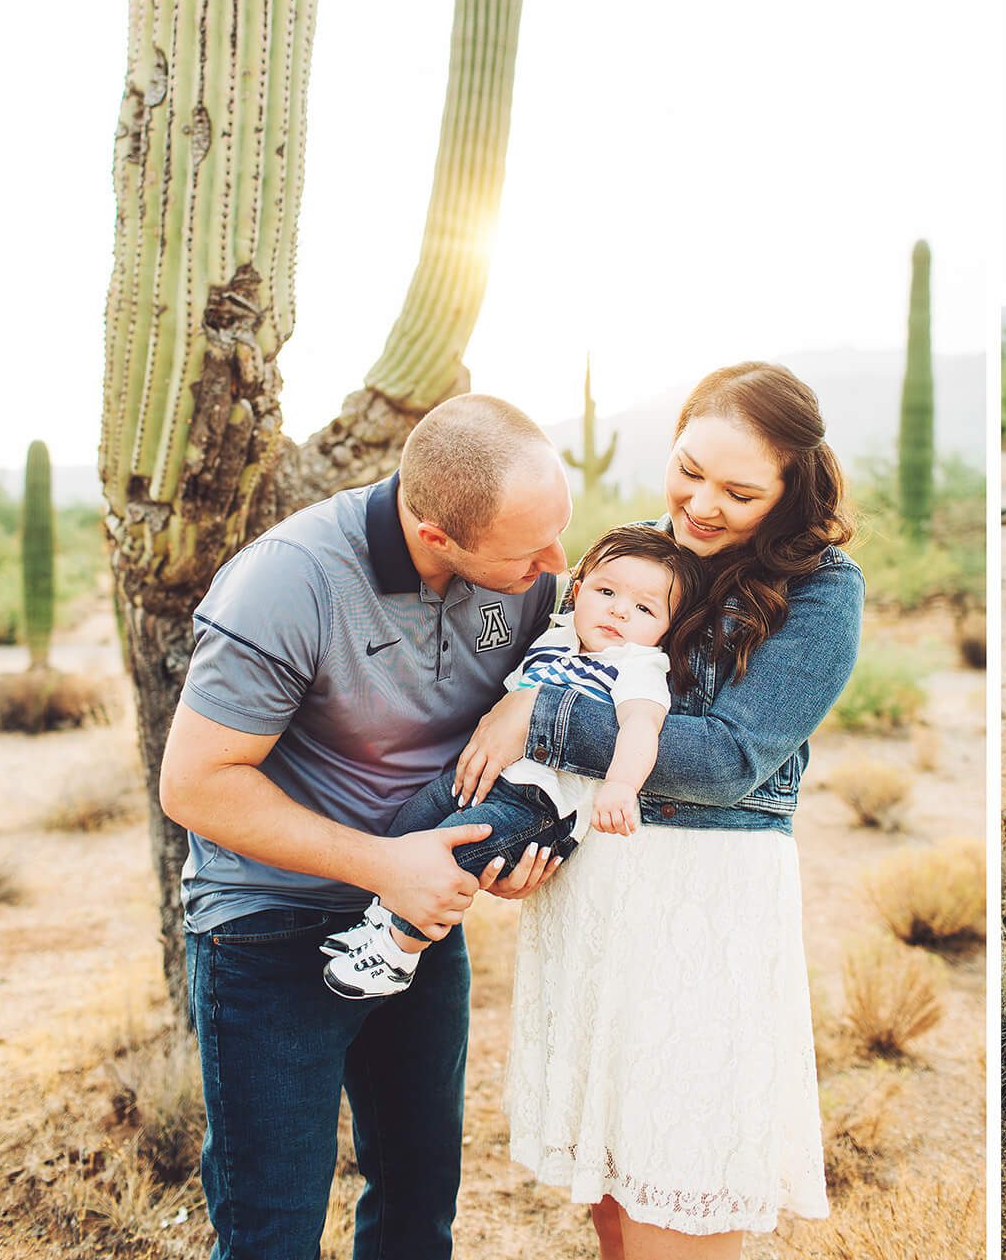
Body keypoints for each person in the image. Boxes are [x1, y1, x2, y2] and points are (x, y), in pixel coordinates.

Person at [459, 362, 862, 1257]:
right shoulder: (635, 550)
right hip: (596, 891)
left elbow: (727, 759)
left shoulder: (824, 588)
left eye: (740, 491)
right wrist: (530, 824)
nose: (703, 503)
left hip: (703, 911)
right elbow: (530, 652)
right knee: (613, 1197)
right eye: (690, 468)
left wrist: (544, 713)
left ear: (792, 489)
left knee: (683, 1192)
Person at [158, 393, 571, 1259]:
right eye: (529, 550)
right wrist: (386, 864)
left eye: (557, 535)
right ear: (435, 536)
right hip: (266, 930)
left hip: (419, 926)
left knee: (419, 1206)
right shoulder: (291, 578)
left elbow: (588, 645)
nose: (554, 562)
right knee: (273, 1226)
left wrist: (529, 704)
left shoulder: (524, 582)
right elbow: (195, 784)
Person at [319, 524, 704, 999]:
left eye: (644, 608)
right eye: (606, 592)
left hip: (540, 805)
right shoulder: (554, 639)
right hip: (488, 774)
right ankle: (380, 917)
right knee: (412, 821)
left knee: (452, 857)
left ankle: (398, 953)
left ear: (668, 627)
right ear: (577, 593)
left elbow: (641, 729)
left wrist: (621, 787)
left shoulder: (638, 666)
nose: (620, 610)